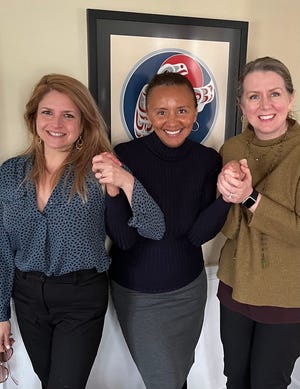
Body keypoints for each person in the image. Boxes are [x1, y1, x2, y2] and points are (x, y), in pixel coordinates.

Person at [0, 73, 165, 389]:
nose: (56, 122)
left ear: (83, 123)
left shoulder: (99, 169)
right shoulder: (10, 173)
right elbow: (2, 248)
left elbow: (154, 228)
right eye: (47, 112)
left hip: (80, 296)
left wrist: (126, 181)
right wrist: (0, 313)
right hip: (28, 296)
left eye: (68, 114)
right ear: (33, 118)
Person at [92, 71, 232, 389]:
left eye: (182, 110)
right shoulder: (125, 156)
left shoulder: (207, 160)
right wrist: (115, 190)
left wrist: (227, 199)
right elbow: (124, 239)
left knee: (178, 374)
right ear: (148, 114)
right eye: (161, 111)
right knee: (165, 380)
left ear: (196, 112)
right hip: (137, 293)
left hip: (188, 289)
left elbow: (197, 235)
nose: (172, 120)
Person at [216, 56, 300, 389]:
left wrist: (251, 198)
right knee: (235, 379)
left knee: (268, 383)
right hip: (236, 287)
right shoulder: (231, 148)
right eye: (254, 96)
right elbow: (230, 229)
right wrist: (225, 195)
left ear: (290, 98)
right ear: (242, 105)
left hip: (287, 296)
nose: (265, 105)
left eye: (275, 93)